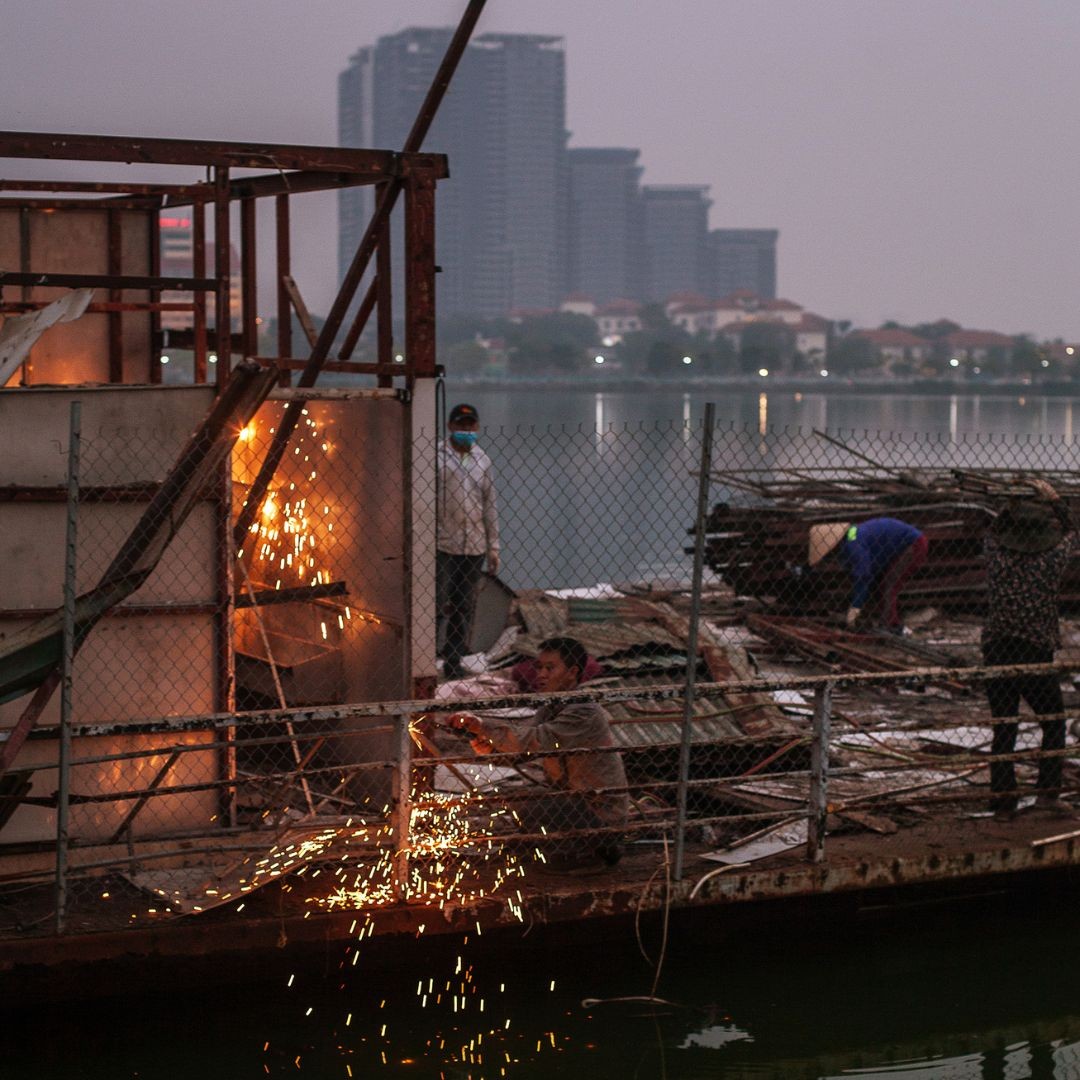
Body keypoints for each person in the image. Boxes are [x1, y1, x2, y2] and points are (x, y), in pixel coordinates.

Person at [448, 636, 628, 866]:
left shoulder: (584, 711)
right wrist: (488, 743)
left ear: (572, 672)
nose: (541, 674)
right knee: (517, 798)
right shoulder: (550, 707)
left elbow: (537, 740)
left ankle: (592, 853)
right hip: (574, 803)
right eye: (539, 667)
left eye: (550, 668)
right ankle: (564, 848)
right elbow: (524, 749)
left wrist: (484, 727)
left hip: (599, 813)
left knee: (527, 804)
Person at [982, 478, 1078, 822]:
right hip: (1034, 649)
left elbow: (992, 530)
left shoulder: (996, 555)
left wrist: (1009, 504)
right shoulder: (1051, 558)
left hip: (997, 645)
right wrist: (1055, 501)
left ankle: (1003, 800)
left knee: (1004, 725)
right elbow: (1073, 532)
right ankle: (1047, 795)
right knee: (1053, 721)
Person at [437, 403, 499, 679]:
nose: (465, 430)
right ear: (450, 426)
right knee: (437, 604)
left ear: (476, 427)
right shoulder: (435, 457)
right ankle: (426, 660)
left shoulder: (482, 460)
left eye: (470, 426)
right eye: (460, 425)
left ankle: (453, 661)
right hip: (442, 544)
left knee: (463, 607)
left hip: (473, 545)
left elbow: (490, 506)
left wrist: (493, 547)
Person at [808, 517, 928, 631]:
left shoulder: (853, 543)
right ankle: (884, 622)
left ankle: (891, 626)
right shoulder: (852, 536)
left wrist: (855, 608)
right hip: (904, 545)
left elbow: (863, 576)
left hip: (913, 544)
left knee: (888, 586)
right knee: (881, 585)